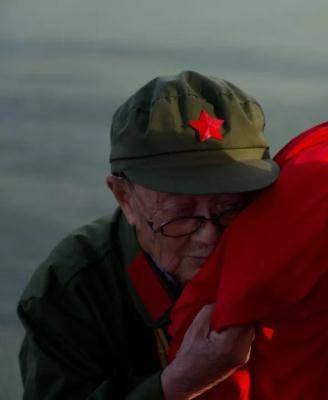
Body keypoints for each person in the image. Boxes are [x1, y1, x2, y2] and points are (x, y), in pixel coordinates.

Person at [17, 71, 279, 399]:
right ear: (124, 198)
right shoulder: (71, 291)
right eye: (181, 214)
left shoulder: (289, 254)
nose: (209, 236)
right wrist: (176, 384)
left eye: (229, 208)